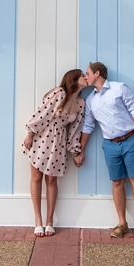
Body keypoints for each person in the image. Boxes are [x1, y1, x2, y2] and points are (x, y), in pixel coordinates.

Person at [77, 62, 134, 240]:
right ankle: (122, 223)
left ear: (97, 73)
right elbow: (88, 126)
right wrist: (81, 150)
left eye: (87, 73)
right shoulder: (90, 100)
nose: (86, 77)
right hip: (110, 144)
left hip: (131, 140)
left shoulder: (119, 89)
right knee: (117, 182)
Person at [22, 69, 88, 236]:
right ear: (73, 79)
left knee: (52, 181)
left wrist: (75, 151)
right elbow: (42, 114)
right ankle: (38, 220)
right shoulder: (59, 93)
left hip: (58, 142)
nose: (86, 78)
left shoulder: (81, 103)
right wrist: (30, 133)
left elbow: (75, 130)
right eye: (82, 76)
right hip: (42, 136)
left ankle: (50, 221)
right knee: (36, 178)